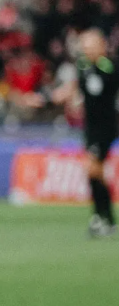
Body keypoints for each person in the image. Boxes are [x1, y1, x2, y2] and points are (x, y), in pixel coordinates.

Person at [48, 28, 119, 237]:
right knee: (95, 172)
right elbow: (72, 89)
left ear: (102, 46)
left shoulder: (111, 67)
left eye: (91, 46)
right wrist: (49, 99)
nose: (87, 50)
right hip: (90, 127)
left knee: (92, 168)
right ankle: (105, 218)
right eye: (84, 47)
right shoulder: (82, 66)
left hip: (106, 127)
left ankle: (101, 216)